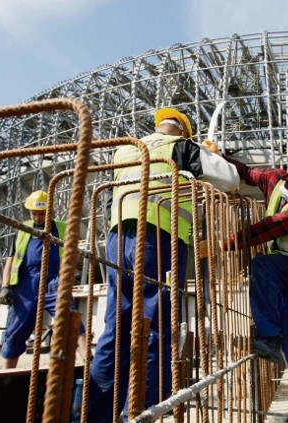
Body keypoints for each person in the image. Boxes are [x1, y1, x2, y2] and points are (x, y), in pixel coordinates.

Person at [88, 108, 206, 422]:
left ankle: (94, 412)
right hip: (159, 240)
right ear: (183, 131)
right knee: (157, 326)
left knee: (117, 325)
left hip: (118, 240)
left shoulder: (126, 148)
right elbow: (225, 177)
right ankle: (140, 412)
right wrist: (211, 153)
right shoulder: (182, 148)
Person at [203, 139, 288, 421]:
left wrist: (226, 244)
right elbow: (246, 174)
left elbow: (270, 228)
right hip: (280, 268)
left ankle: (268, 338)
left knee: (260, 264)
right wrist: (217, 157)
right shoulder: (274, 179)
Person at [0, 190, 88, 368]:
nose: (38, 217)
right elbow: (11, 258)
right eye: (35, 213)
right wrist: (5, 286)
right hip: (25, 284)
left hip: (54, 281)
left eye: (42, 213)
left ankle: (89, 363)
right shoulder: (22, 229)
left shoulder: (63, 228)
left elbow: (73, 255)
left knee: (71, 321)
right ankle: (6, 375)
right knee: (15, 331)